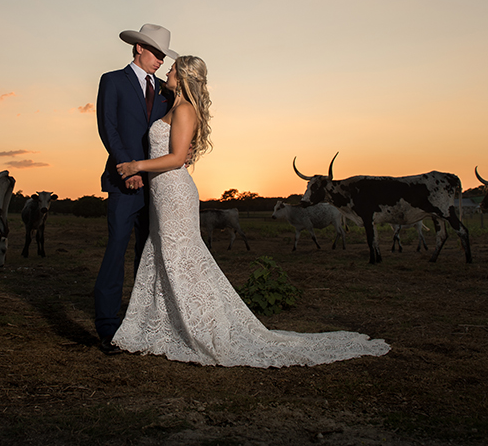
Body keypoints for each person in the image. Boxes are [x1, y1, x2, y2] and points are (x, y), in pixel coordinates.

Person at [113, 56, 391, 367]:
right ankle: (163, 326)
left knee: (182, 257)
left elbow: (177, 158)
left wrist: (136, 165)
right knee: (165, 255)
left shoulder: (185, 109)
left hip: (175, 192)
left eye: (174, 68)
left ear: (185, 77)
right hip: (162, 194)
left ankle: (203, 328)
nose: (168, 70)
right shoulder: (173, 105)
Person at [94, 23, 178, 355]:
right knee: (116, 251)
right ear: (139, 48)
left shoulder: (164, 91)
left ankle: (142, 323)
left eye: (164, 54)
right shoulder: (112, 81)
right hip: (121, 182)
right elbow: (108, 128)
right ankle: (107, 328)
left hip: (157, 188)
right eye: (156, 52)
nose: (160, 59)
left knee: (147, 256)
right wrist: (126, 166)